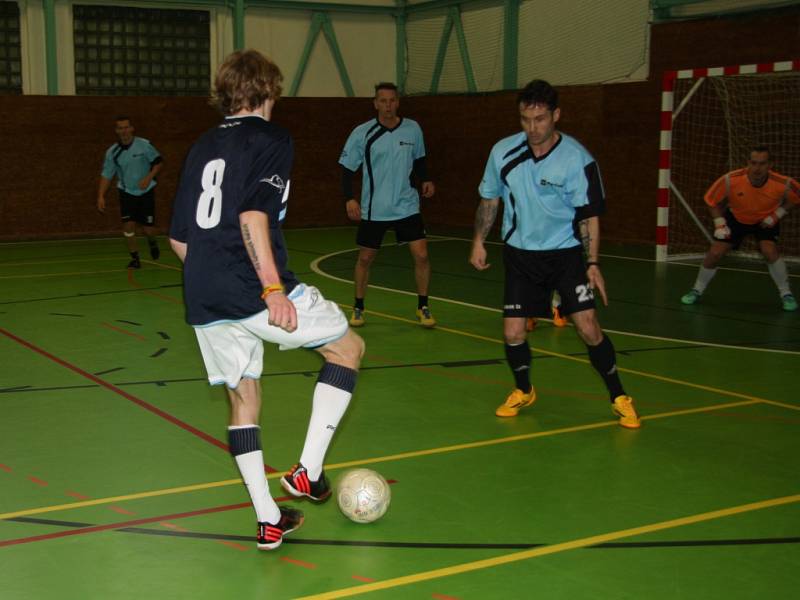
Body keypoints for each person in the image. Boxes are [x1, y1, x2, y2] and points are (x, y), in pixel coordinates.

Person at [169, 49, 365, 550]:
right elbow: (254, 217)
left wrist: (213, 280)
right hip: (252, 283)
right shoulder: (272, 138)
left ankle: (268, 520)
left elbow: (180, 240)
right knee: (347, 350)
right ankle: (308, 472)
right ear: (267, 91)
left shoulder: (201, 145)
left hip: (202, 288)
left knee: (243, 396)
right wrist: (273, 289)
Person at [469, 79, 640, 428]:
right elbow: (490, 200)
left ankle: (619, 396)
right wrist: (478, 240)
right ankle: (523, 389)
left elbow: (588, 215)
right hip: (520, 254)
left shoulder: (578, 159)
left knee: (589, 327)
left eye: (541, 119)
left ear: (556, 115)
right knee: (513, 332)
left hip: (565, 255)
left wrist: (592, 263)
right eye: (525, 119)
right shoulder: (502, 152)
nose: (532, 128)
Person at [339, 82, 437, 328]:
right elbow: (346, 169)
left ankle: (423, 306)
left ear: (398, 102)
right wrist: (349, 198)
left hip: (407, 205)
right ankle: (359, 307)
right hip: (375, 208)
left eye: (392, 100)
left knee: (422, 255)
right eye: (382, 101)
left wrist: (425, 179)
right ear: (375, 104)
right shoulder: (363, 133)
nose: (388, 106)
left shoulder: (413, 129)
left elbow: (420, 160)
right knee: (365, 259)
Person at [680, 147, 800, 311]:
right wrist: (720, 223)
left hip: (765, 221)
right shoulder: (731, 180)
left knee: (769, 251)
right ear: (748, 163)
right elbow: (710, 200)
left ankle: (786, 294)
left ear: (770, 165)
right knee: (715, 253)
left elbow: (796, 197)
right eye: (753, 163)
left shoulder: (783, 183)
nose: (757, 168)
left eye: (762, 164)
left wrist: (777, 214)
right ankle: (696, 290)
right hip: (736, 218)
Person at [97, 116, 163, 268]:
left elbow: (159, 163)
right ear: (116, 131)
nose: (124, 131)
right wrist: (100, 195)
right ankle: (135, 258)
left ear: (132, 128)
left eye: (126, 127)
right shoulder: (112, 152)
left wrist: (149, 177)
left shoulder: (145, 145)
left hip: (146, 191)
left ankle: (152, 242)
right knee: (128, 226)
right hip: (126, 192)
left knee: (148, 228)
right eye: (120, 128)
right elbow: (107, 175)